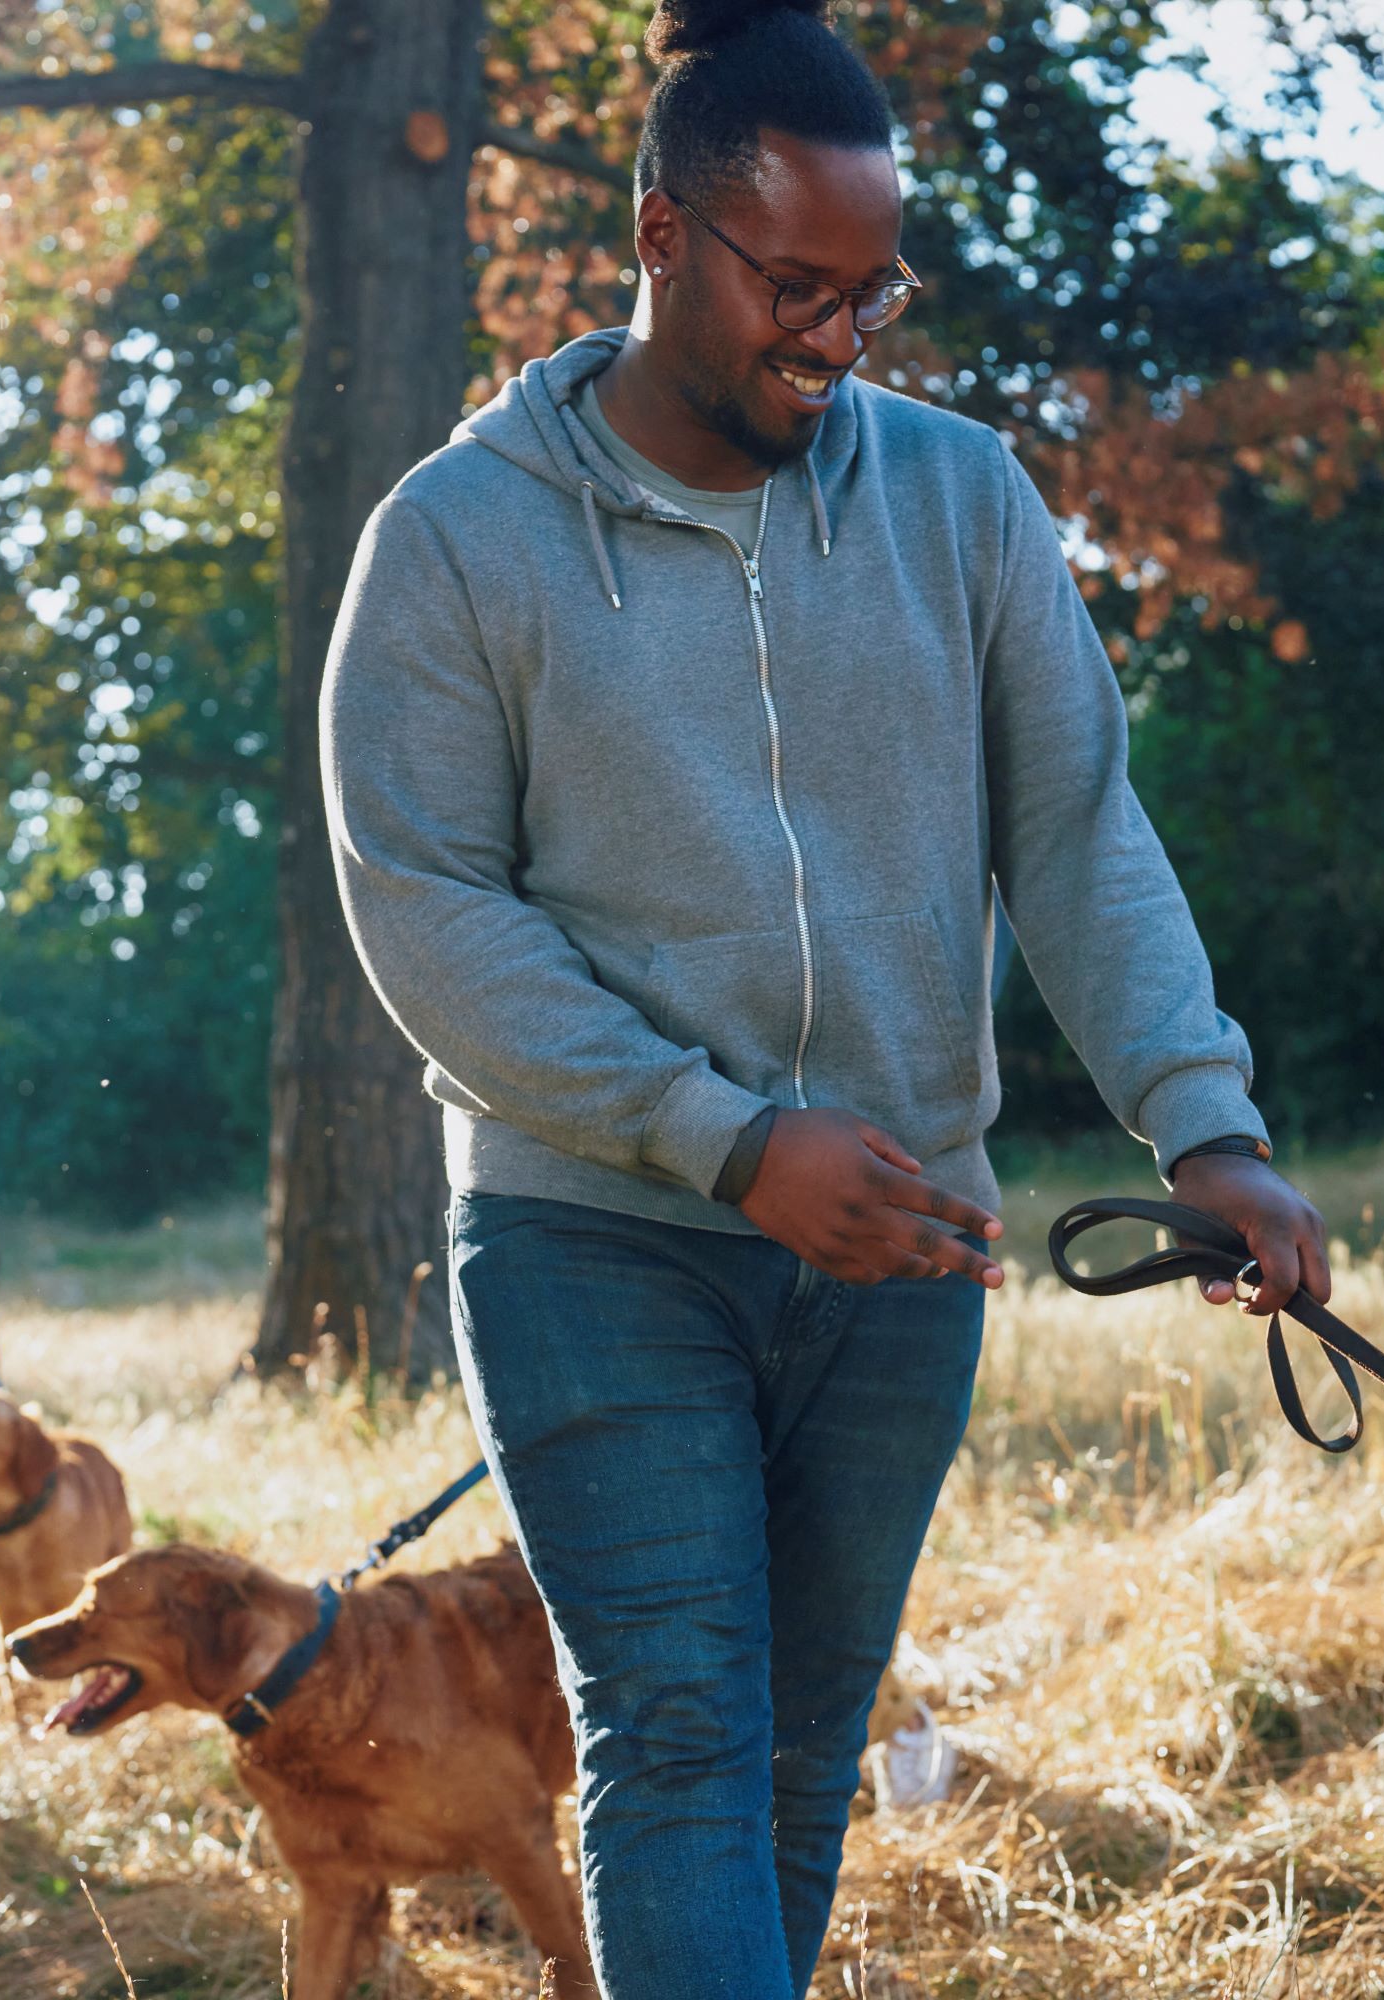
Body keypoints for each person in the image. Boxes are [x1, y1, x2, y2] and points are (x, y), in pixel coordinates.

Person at [318, 0, 1331, 1989]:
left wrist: (1204, 1122)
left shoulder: (955, 501)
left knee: (794, 1756)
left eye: (874, 294)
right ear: (661, 235)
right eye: (795, 285)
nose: (837, 337)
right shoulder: (457, 540)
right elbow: (427, 910)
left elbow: (1078, 829)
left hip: (900, 1245)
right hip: (594, 1234)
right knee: (678, 1733)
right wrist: (724, 1135)